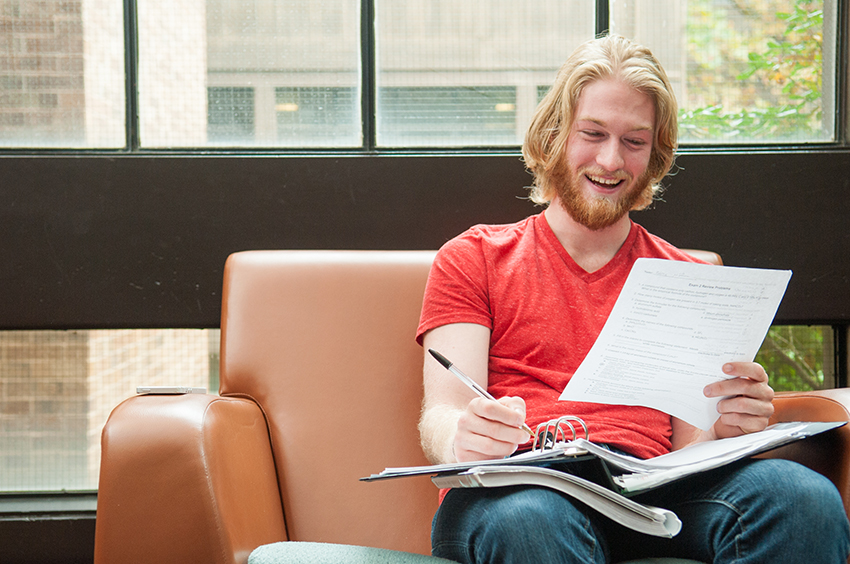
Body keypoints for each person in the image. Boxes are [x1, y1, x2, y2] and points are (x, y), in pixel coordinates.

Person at [415, 35, 850, 564]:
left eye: (634, 142)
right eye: (592, 133)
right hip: (521, 490)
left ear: (654, 155)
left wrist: (726, 429)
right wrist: (462, 436)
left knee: (801, 500)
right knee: (533, 520)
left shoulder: (687, 278)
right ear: (554, 136)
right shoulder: (475, 257)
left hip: (653, 492)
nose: (610, 160)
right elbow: (442, 412)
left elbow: (691, 448)